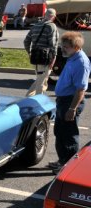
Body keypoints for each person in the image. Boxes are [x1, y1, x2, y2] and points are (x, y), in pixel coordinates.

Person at [47, 31, 90, 174]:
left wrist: (72, 109)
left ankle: (68, 167)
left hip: (70, 102)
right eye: (62, 46)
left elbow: (80, 90)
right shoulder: (72, 57)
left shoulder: (81, 63)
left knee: (69, 135)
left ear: (76, 47)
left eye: (65, 47)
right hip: (63, 100)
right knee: (59, 131)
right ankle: (62, 161)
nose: (62, 49)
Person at [24, 8, 58, 96]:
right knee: (41, 82)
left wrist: (29, 52)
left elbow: (26, 41)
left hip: (35, 57)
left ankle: (29, 97)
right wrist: (53, 60)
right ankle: (34, 100)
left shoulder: (35, 26)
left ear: (45, 15)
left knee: (41, 79)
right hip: (45, 59)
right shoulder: (52, 26)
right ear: (53, 17)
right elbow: (53, 45)